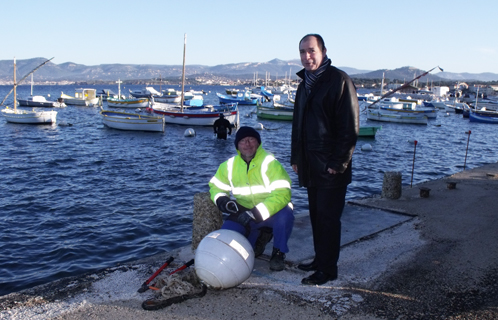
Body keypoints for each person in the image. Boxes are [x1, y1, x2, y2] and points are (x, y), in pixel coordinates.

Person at [291, 34, 359, 285]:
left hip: (331, 166)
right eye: (302, 52)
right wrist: (296, 157)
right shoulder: (304, 83)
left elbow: (349, 128)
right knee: (317, 216)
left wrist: (338, 163)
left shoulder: (339, 81)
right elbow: (297, 125)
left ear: (323, 51)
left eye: (311, 51)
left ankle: (328, 270)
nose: (306, 57)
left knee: (329, 220)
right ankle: (321, 259)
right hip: (310, 165)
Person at [209, 126, 294, 271]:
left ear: (258, 143)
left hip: (270, 212)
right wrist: (223, 200)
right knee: (226, 237)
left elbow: (283, 193)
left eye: (251, 140)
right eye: (243, 141)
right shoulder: (228, 165)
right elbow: (216, 187)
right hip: (242, 212)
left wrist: (257, 212)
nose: (247, 144)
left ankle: (278, 252)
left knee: (285, 215)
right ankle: (261, 236)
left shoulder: (270, 163)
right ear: (237, 145)